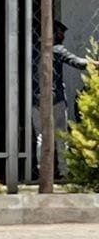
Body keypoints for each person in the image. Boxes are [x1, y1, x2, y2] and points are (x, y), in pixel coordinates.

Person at [33, 20, 89, 181]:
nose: (62, 36)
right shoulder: (56, 49)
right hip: (55, 97)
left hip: (36, 98)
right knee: (61, 135)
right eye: (60, 33)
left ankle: (42, 172)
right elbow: (77, 62)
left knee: (41, 136)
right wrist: (94, 63)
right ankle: (64, 171)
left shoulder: (32, 50)